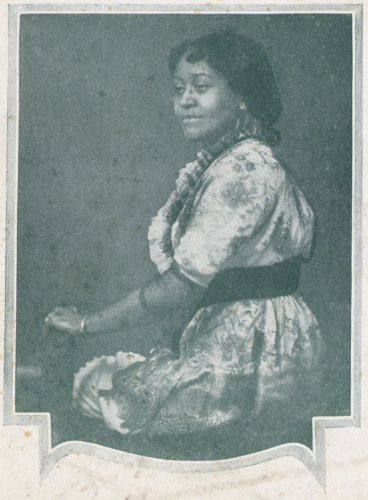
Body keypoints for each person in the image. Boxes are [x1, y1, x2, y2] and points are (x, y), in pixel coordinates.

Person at [45, 31, 321, 458]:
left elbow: (179, 288)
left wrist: (86, 324)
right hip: (235, 334)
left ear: (242, 96)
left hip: (253, 355)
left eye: (202, 87)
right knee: (100, 393)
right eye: (179, 90)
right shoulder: (230, 160)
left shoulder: (243, 170)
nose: (186, 100)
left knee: (100, 405)